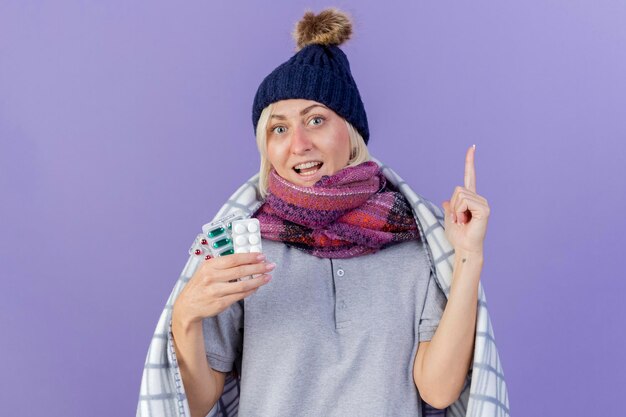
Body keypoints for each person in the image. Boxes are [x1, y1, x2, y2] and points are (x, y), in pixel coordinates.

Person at [137, 8, 510, 417]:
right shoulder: (241, 246)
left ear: (349, 133)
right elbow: (196, 402)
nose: (298, 143)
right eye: (279, 128)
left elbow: (438, 391)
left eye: (316, 120)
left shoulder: (413, 239)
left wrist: (469, 256)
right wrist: (186, 317)